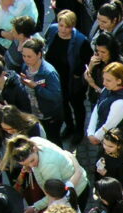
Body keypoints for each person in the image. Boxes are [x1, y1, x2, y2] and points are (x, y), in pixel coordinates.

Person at [1, 135, 90, 213]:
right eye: (25, 164)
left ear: (34, 149)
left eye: (32, 161)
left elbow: (55, 194)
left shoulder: (48, 166)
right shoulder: (34, 141)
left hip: (76, 192)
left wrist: (35, 207)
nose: (31, 166)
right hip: (71, 185)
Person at [44, 10, 93, 147]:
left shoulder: (80, 40)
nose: (63, 29)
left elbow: (88, 59)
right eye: (61, 25)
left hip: (72, 80)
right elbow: (46, 45)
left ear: (73, 26)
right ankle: (69, 126)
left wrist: (78, 73)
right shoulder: (52, 30)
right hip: (56, 78)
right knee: (62, 104)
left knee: (77, 105)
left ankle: (79, 130)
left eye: (67, 27)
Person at [90, 0, 123, 106]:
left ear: (114, 20)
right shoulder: (106, 28)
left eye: (104, 22)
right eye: (98, 20)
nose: (100, 24)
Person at [20, 38, 64, 147]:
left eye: (29, 56)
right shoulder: (25, 67)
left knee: (54, 143)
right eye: (24, 56)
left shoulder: (48, 73)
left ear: (39, 54)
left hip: (49, 116)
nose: (26, 59)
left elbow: (55, 96)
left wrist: (36, 87)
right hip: (34, 114)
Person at [86, 62, 123, 146]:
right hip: (103, 136)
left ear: (119, 81)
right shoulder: (109, 88)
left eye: (108, 80)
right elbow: (98, 106)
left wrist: (96, 137)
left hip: (112, 143)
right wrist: (90, 131)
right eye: (104, 79)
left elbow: (109, 125)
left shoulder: (120, 103)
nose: (104, 83)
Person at [83, 33, 123, 107]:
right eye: (98, 51)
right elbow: (85, 81)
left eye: (103, 52)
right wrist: (90, 67)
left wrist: (94, 86)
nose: (100, 55)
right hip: (95, 101)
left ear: (111, 51)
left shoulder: (119, 66)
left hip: (112, 105)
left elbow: (115, 95)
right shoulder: (96, 61)